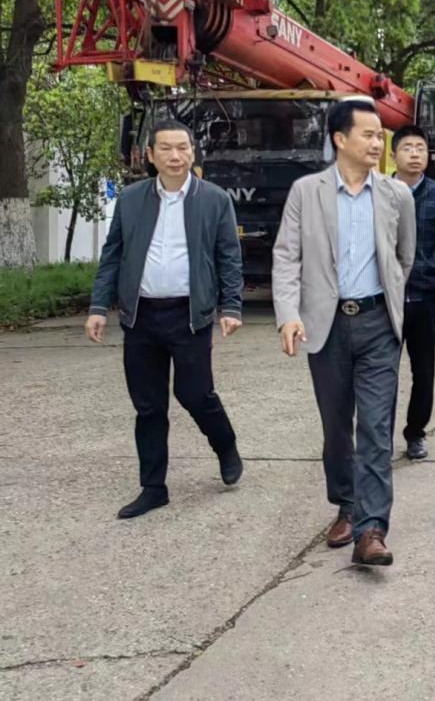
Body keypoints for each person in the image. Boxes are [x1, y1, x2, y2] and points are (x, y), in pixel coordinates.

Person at [272, 100, 416, 566]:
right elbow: (286, 256)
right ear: (340, 138)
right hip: (326, 324)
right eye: (368, 135)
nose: (377, 143)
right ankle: (347, 504)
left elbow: (403, 257)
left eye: (380, 136)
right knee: (336, 425)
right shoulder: (306, 192)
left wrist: (389, 301)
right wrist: (289, 314)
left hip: (378, 324)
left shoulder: (397, 195)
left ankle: (372, 528)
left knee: (375, 427)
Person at [85, 119, 244, 520]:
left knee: (196, 394)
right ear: (150, 155)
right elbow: (113, 255)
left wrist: (231, 307)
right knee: (148, 406)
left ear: (193, 152)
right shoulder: (131, 199)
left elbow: (228, 257)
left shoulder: (214, 200)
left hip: (189, 315)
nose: (176, 156)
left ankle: (225, 444)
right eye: (166, 149)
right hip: (141, 316)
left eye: (183, 148)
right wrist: (99, 307)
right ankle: (153, 487)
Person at [391, 124, 435, 461]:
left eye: (420, 148)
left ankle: (415, 433)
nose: (415, 154)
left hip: (426, 298)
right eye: (408, 148)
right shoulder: (380, 192)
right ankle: (379, 436)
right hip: (386, 300)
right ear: (394, 154)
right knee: (382, 373)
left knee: (423, 371)